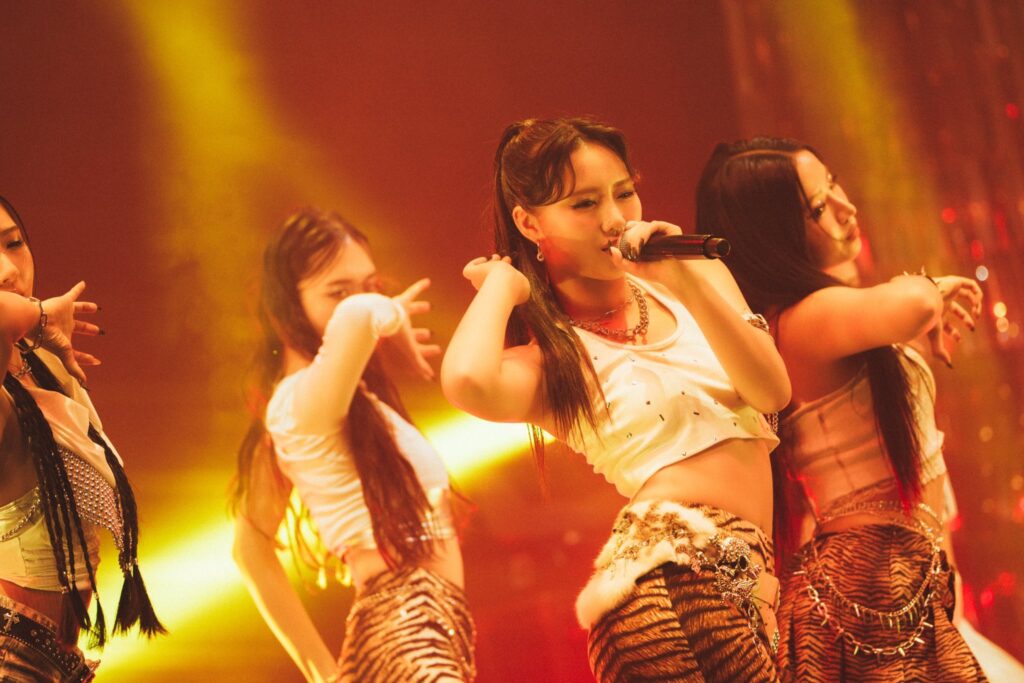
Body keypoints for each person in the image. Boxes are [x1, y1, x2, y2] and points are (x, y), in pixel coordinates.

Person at [441, 118, 791, 682]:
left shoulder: (697, 275)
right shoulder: (553, 363)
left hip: (744, 579)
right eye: (584, 204)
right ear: (530, 222)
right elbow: (466, 381)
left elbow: (772, 390)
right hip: (664, 593)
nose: (615, 218)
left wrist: (684, 281)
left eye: (624, 193)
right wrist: (502, 287)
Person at [695, 137, 989, 681]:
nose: (846, 208)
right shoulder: (802, 319)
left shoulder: (819, 318)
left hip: (903, 578)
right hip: (874, 582)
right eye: (818, 207)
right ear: (776, 235)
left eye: (833, 185)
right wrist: (930, 290)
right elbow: (915, 303)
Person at [231, 208, 475, 683]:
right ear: (288, 306)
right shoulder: (298, 404)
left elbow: (247, 548)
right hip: (407, 637)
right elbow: (361, 316)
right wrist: (391, 316)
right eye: (337, 291)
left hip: (419, 637)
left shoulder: (340, 405)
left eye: (368, 284)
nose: (358, 301)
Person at [0, 196, 163, 682]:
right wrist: (39, 315)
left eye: (13, 243)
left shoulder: (41, 364)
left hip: (50, 659)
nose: (8, 270)